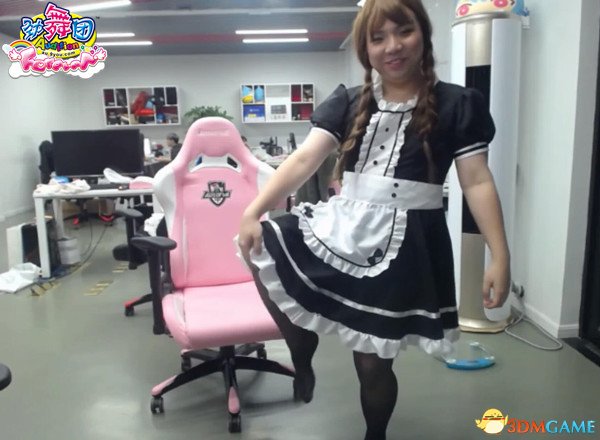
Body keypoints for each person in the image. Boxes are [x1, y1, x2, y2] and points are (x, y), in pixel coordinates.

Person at [238, 0, 511, 438]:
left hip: (408, 244)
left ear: (424, 34)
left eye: (404, 31)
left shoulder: (458, 103)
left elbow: (476, 181)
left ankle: (375, 435)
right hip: (345, 225)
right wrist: (253, 210)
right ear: (365, 49)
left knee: (372, 362)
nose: (393, 46)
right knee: (260, 241)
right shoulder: (348, 101)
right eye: (378, 38)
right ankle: (301, 349)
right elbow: (305, 158)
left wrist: (499, 255)